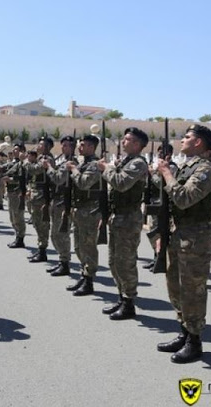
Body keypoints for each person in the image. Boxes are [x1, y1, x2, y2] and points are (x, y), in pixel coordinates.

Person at [155, 125, 211, 363]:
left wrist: (167, 174)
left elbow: (184, 198)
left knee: (192, 290)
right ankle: (184, 330)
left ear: (200, 142)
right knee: (176, 286)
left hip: (196, 236)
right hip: (179, 232)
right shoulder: (188, 166)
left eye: (188, 137)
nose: (182, 140)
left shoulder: (206, 169)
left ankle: (195, 339)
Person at [98, 127, 149, 320]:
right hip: (117, 216)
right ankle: (121, 297)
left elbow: (121, 183)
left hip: (129, 218)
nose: (123, 142)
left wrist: (107, 168)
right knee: (114, 261)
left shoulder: (138, 164)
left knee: (126, 262)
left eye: (127, 139)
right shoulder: (127, 161)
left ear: (137, 144)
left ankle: (129, 302)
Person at [66, 135, 102, 295]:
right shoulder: (83, 163)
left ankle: (89, 279)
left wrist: (73, 170)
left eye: (83, 145)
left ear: (91, 147)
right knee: (79, 246)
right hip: (79, 209)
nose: (80, 147)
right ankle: (84, 274)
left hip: (90, 211)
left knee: (88, 246)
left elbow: (83, 183)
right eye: (80, 145)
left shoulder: (95, 165)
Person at [42, 136, 77, 276]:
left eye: (68, 145)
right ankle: (62, 260)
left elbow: (58, 179)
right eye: (63, 145)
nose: (64, 147)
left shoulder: (71, 162)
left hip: (65, 202)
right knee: (55, 234)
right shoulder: (63, 161)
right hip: (57, 200)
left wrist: (49, 167)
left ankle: (65, 262)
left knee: (62, 234)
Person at [23, 137, 55, 263]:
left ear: (47, 147)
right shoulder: (41, 158)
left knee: (42, 224)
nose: (38, 146)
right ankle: (40, 249)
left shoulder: (47, 159)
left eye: (41, 145)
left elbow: (34, 170)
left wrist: (25, 161)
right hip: (36, 195)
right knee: (37, 223)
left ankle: (43, 251)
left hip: (42, 196)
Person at [4, 143, 27, 248]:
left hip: (18, 193)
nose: (14, 151)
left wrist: (11, 180)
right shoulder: (14, 163)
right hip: (11, 192)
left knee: (18, 217)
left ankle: (20, 238)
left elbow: (24, 179)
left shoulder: (25, 164)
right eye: (14, 149)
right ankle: (17, 236)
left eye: (17, 150)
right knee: (12, 217)